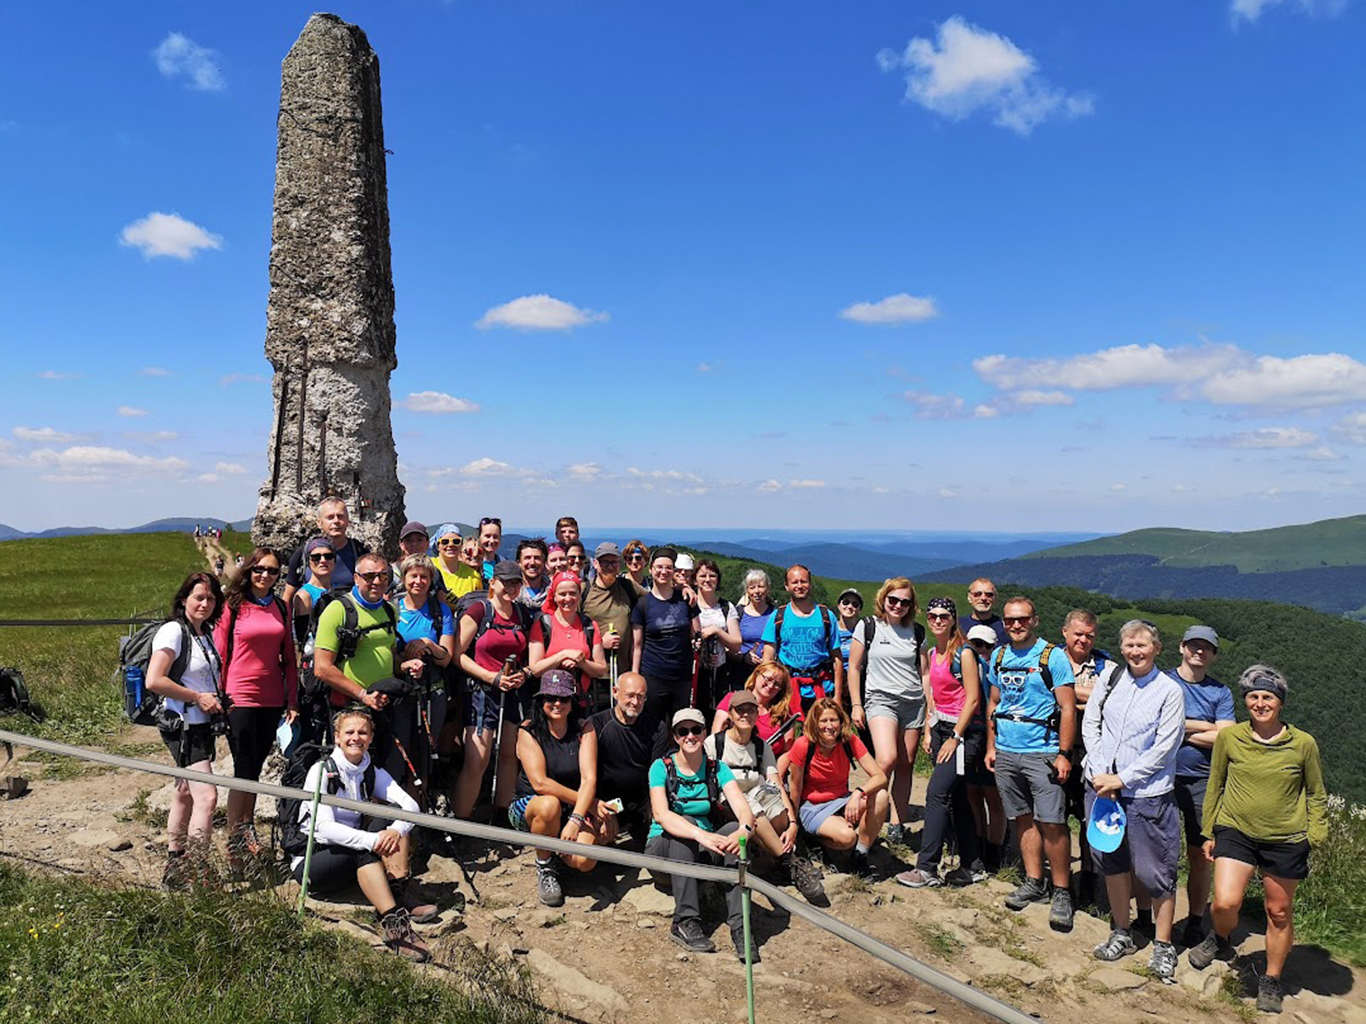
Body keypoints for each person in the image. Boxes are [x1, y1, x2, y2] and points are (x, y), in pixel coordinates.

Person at [1188, 666, 1327, 1014]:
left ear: (1280, 703)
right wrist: (1209, 832)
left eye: (1268, 697)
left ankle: (1271, 979)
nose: (1260, 703)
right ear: (1245, 700)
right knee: (1224, 903)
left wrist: (1315, 835)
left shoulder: (1303, 743)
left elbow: (1316, 793)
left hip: (1286, 838)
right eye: (1253, 696)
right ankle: (1219, 938)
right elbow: (1215, 785)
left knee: (1278, 912)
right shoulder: (1231, 737)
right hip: (1235, 831)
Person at [1083, 619, 1186, 979]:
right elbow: (1091, 724)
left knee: (1154, 871)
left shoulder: (1169, 691)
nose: (1134, 651)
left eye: (1142, 644)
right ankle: (1122, 932)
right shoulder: (1111, 678)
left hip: (1146, 795)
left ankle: (1162, 945)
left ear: (1157, 648)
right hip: (1101, 788)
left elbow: (1165, 747)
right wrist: (1100, 774)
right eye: (1128, 644)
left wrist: (1122, 778)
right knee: (1110, 861)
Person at [292, 708, 437, 962]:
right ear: (337, 737)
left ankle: (397, 890)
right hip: (312, 861)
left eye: (362, 732)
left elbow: (410, 806)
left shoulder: (371, 770)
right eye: (349, 732)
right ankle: (393, 923)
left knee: (394, 816)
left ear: (370, 738)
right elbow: (324, 828)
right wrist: (373, 841)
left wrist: (396, 830)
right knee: (363, 850)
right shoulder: (321, 771)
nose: (355, 738)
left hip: (349, 851)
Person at [985, 596, 1077, 931]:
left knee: (1052, 822)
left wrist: (1064, 753)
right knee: (1021, 818)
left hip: (1044, 751)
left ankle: (1063, 891)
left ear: (1035, 620)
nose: (1015, 625)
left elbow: (1067, 708)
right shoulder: (998, 656)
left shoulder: (1053, 657)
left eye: (1022, 619)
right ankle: (1034, 881)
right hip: (1007, 750)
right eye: (1009, 620)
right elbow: (994, 702)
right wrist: (991, 746)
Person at [647, 708, 759, 961]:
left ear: (704, 733)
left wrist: (744, 830)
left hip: (702, 848)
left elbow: (743, 809)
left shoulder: (716, 768)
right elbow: (662, 814)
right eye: (682, 731)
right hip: (664, 851)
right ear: (675, 737)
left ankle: (741, 926)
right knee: (683, 824)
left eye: (696, 730)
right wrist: (699, 834)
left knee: (733, 832)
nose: (690, 736)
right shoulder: (660, 767)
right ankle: (684, 920)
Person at [215, 547, 299, 874]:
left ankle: (246, 837)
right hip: (240, 697)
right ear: (248, 570)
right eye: (259, 569)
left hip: (272, 699)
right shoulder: (233, 606)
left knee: (255, 771)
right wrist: (220, 698)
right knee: (243, 772)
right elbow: (221, 654)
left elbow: (289, 658)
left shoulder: (279, 606)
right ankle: (235, 848)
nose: (265, 575)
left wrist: (292, 700)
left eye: (273, 571)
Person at [895, 597, 986, 888]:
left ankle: (926, 868)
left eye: (943, 616)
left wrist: (955, 737)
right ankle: (973, 866)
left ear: (953, 618)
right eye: (932, 615)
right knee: (956, 799)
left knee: (936, 793)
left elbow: (973, 699)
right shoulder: (935, 652)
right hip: (942, 729)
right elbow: (933, 694)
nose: (937, 620)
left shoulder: (964, 652)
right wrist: (929, 731)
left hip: (963, 733)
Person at [704, 688, 825, 902]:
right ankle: (790, 862)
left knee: (778, 811)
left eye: (750, 710)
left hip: (754, 793)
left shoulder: (761, 746)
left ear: (757, 714)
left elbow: (775, 783)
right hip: (727, 800)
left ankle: (772, 859)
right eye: (739, 710)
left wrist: (792, 822)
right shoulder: (715, 743)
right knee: (754, 811)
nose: (745, 715)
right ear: (730, 714)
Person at [147, 571, 226, 889]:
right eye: (199, 597)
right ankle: (198, 870)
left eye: (210, 598)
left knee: (184, 791)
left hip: (199, 724)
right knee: (206, 797)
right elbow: (155, 680)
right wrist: (198, 697)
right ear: (183, 600)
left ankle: (175, 863)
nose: (205, 603)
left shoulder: (202, 633)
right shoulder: (172, 631)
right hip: (184, 725)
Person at [512, 670, 610, 906]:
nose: (557, 703)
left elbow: (589, 779)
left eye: (564, 698)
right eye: (550, 698)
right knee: (549, 804)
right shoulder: (528, 730)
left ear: (572, 701)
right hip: (531, 805)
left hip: (571, 808)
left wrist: (577, 817)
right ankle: (545, 865)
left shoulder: (584, 729)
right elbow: (540, 783)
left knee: (586, 860)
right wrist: (590, 804)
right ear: (541, 700)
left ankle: (558, 853)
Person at [848, 578, 925, 844]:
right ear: (883, 599)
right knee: (887, 759)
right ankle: (868, 812)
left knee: (906, 765)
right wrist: (856, 704)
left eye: (905, 601)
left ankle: (896, 823)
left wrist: (930, 707)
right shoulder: (868, 626)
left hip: (913, 702)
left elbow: (923, 672)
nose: (898, 605)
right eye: (893, 600)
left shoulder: (917, 632)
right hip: (879, 699)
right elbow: (854, 667)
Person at [1171, 625, 1235, 948]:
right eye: (1194, 645)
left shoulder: (1220, 692)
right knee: (1161, 852)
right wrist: (1204, 725)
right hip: (1163, 778)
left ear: (1213, 655)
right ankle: (1155, 917)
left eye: (1206, 648)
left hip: (1203, 783)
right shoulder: (1162, 681)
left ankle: (1194, 920)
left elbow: (1226, 736)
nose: (1199, 651)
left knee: (1200, 854)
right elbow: (1154, 723)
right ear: (1182, 647)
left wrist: (1178, 728)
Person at [452, 560, 531, 818]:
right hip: (480, 692)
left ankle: (502, 814)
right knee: (478, 759)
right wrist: (490, 677)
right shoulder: (478, 611)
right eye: (506, 582)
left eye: (516, 583)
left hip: (512, 691)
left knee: (509, 756)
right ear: (493, 582)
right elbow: (458, 655)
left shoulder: (522, 614)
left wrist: (521, 674)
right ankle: (461, 820)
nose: (511, 587)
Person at [787, 697, 888, 877]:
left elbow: (880, 776)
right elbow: (795, 787)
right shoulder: (803, 745)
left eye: (833, 720)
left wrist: (858, 793)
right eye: (823, 721)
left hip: (842, 799)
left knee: (880, 796)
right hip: (813, 806)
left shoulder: (849, 741)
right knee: (847, 837)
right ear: (815, 723)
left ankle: (860, 854)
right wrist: (794, 823)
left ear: (841, 722)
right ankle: (818, 842)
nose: (829, 726)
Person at [1059, 608, 1116, 906]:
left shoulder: (1109, 666)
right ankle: (1060, 881)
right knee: (1055, 816)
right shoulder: (1050, 659)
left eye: (1089, 636)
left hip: (1094, 751)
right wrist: (1091, 697)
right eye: (1078, 634)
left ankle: (1089, 882)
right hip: (1056, 747)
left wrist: (1067, 693)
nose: (1083, 640)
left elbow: (1114, 700)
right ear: (1065, 632)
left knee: (1087, 818)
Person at [393, 554, 456, 800]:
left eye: (424, 577)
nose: (418, 581)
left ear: (431, 581)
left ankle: (417, 812)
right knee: (397, 751)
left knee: (424, 753)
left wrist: (428, 644)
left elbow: (446, 656)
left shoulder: (440, 611)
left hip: (432, 689)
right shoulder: (392, 607)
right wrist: (405, 663)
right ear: (404, 578)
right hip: (399, 687)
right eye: (413, 576)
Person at [590, 671, 668, 846]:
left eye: (641, 697)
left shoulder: (657, 727)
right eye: (630, 695)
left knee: (659, 845)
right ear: (615, 692)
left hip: (643, 802)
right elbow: (587, 774)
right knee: (598, 844)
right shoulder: (596, 725)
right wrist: (602, 810)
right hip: (607, 801)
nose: (635, 702)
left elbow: (658, 775)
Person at [631, 547, 698, 726]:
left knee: (680, 725)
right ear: (651, 570)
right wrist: (635, 676)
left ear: (674, 572)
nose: (663, 571)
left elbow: (696, 635)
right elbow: (637, 646)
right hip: (653, 675)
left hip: (682, 676)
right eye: (659, 567)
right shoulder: (642, 604)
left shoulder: (686, 600)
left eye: (668, 568)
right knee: (652, 725)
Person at [762, 565, 843, 714]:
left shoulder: (826, 616)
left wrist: (837, 696)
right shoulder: (778, 617)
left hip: (822, 688)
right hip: (787, 688)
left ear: (810, 584)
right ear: (787, 586)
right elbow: (768, 657)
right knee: (788, 734)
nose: (799, 586)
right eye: (794, 582)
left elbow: (836, 657)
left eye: (803, 581)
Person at [964, 622, 1008, 870]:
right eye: (973, 644)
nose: (978, 649)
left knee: (993, 796)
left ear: (994, 647)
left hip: (993, 735)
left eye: (984, 645)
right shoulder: (966, 666)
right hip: (972, 733)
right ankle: (979, 843)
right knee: (972, 792)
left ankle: (995, 849)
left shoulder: (1000, 669)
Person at [528, 571, 608, 705]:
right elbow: (535, 669)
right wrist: (563, 655)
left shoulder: (589, 625)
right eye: (562, 594)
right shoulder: (543, 625)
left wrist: (582, 663)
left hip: (581, 700)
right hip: (551, 702)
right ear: (554, 596)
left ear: (579, 595)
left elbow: (601, 669)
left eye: (572, 593)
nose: (568, 598)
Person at [282, 497, 370, 608]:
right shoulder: (304, 553)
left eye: (340, 516)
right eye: (330, 517)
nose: (336, 521)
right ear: (319, 522)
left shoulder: (360, 552)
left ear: (348, 520)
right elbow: (288, 596)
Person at [581, 541, 644, 677]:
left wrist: (684, 588)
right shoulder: (583, 591)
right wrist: (600, 643)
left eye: (615, 562)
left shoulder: (628, 587)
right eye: (605, 563)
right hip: (592, 674)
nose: (610, 567)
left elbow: (656, 599)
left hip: (623, 672)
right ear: (595, 564)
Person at [712, 662, 801, 757]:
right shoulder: (732, 699)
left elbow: (787, 752)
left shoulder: (783, 713)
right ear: (756, 675)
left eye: (777, 684)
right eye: (768, 679)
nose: (770, 686)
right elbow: (716, 737)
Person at [693, 559, 741, 717]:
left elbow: (736, 644)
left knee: (718, 714)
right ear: (695, 579)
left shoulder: (726, 607)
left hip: (719, 673)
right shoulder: (689, 605)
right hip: (694, 672)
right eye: (702, 576)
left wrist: (717, 631)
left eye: (712, 576)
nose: (707, 580)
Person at [730, 568, 776, 693]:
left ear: (768, 589)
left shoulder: (776, 615)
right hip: (742, 674)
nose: (757, 591)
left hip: (770, 675)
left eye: (761, 587)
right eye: (752, 587)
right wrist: (744, 657)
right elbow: (730, 647)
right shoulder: (737, 613)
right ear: (746, 591)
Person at [959, 578, 1007, 647]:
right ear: (969, 598)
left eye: (989, 595)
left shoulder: (1005, 627)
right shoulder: (957, 626)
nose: (983, 598)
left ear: (995, 598)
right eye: (977, 594)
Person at [834, 588, 864, 674]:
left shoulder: (864, 631)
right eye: (846, 602)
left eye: (855, 604)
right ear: (838, 605)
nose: (850, 607)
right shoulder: (830, 629)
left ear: (859, 609)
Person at [515, 538, 550, 609]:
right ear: (519, 563)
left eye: (537, 558)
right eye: (527, 558)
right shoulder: (511, 594)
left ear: (544, 562)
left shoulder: (554, 593)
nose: (532, 562)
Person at [477, 517, 503, 582]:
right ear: (479, 537)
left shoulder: (504, 563)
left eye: (495, 537)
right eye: (487, 536)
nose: (491, 541)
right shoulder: (471, 563)